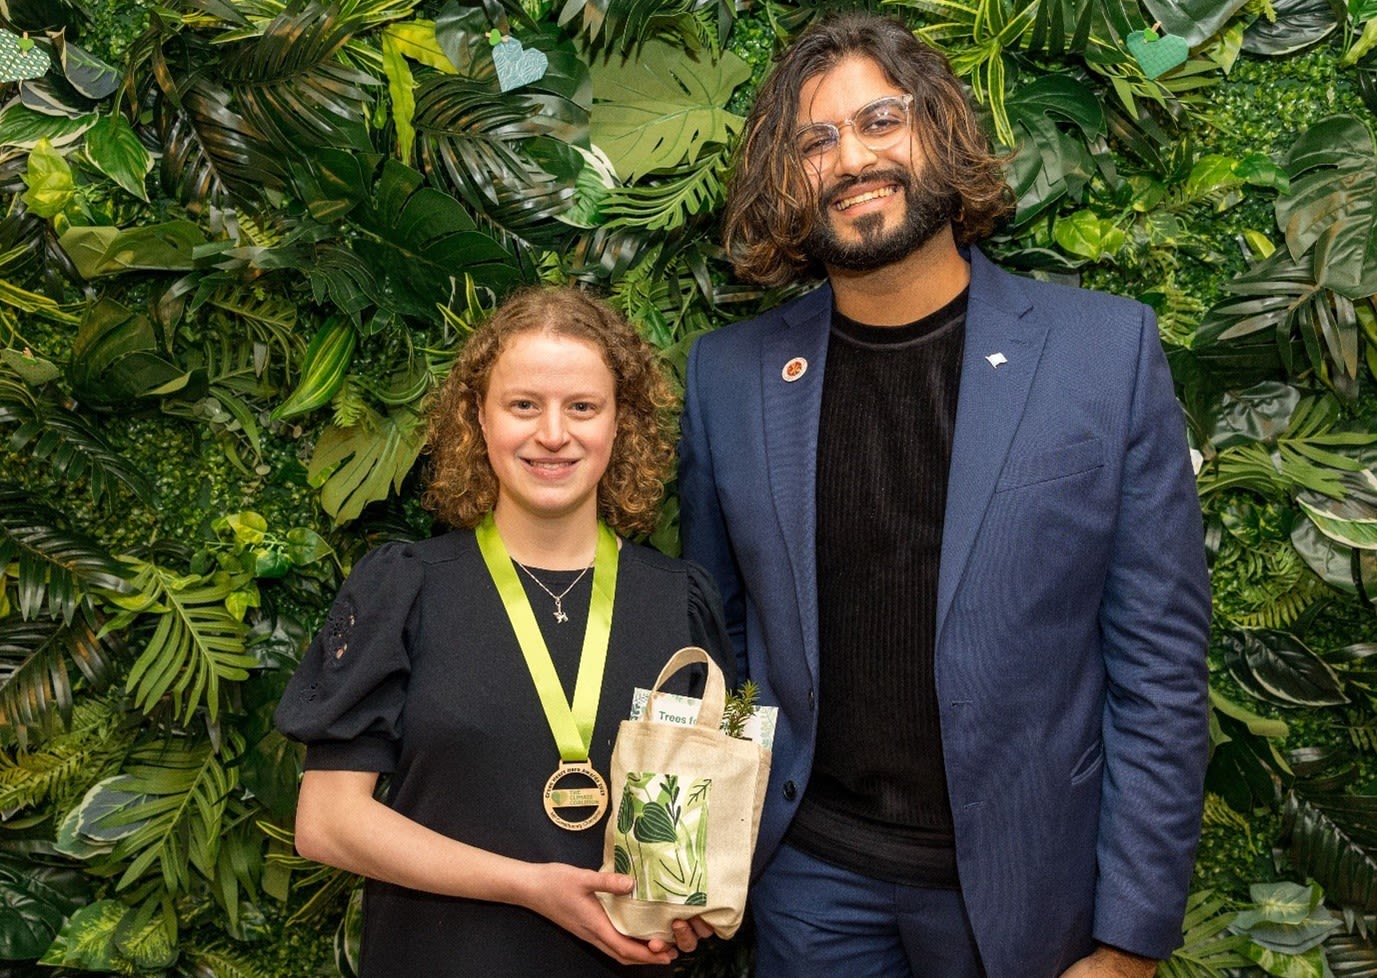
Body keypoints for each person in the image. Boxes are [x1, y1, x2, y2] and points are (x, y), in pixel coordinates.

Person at [678, 13, 1211, 978]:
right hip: (810, 890)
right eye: (814, 139)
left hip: (1024, 893)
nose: (852, 159)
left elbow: (1160, 671)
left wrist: (1131, 938)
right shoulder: (727, 378)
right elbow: (721, 647)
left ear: (939, 127)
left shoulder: (1103, 353)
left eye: (880, 121)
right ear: (783, 177)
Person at [276, 286, 730, 977]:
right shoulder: (406, 588)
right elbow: (328, 824)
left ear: (622, 423)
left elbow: (694, 818)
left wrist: (685, 905)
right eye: (523, 405)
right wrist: (529, 886)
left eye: (582, 407)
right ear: (477, 421)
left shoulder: (680, 602)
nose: (553, 433)